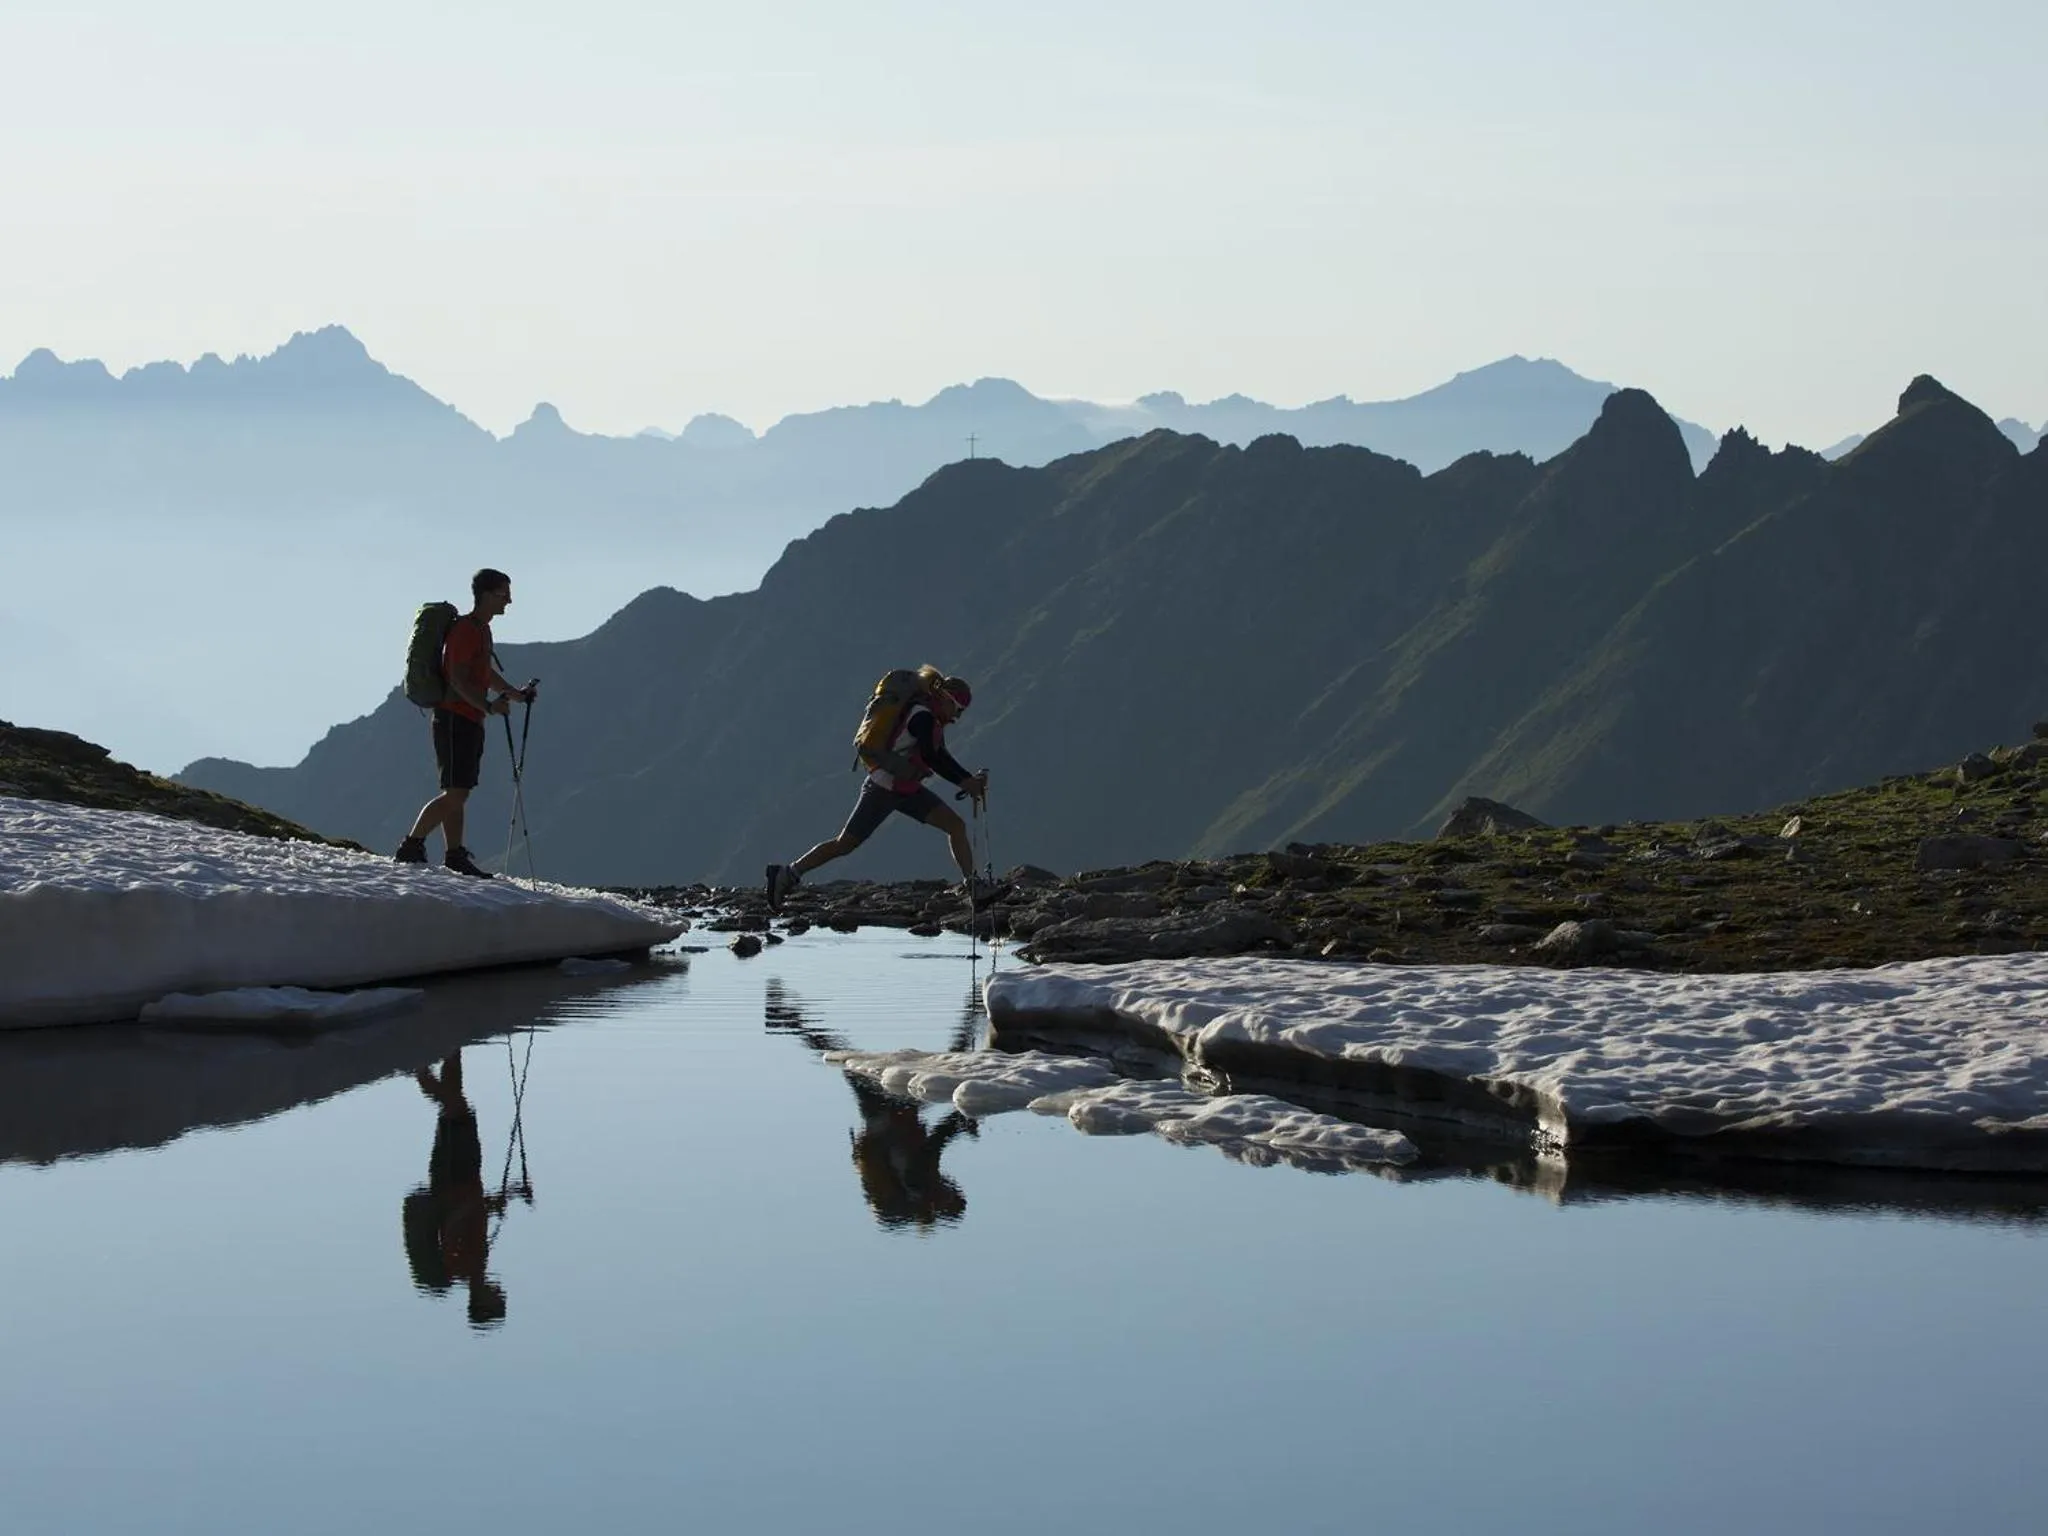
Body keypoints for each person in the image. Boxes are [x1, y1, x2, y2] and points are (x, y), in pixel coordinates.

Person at [765, 665, 989, 911]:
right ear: (946, 699)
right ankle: (787, 873)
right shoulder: (922, 716)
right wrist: (965, 782)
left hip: (905, 787)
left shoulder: (931, 718)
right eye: (958, 710)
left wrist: (968, 780)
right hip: (884, 788)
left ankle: (973, 887)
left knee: (955, 826)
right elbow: (932, 757)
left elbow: (940, 756)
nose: (957, 717)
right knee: (845, 844)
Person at [394, 568, 536, 878]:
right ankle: (411, 845)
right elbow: (457, 678)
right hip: (454, 718)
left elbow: (483, 672)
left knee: (458, 790)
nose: (509, 601)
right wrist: (488, 706)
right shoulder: (466, 631)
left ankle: (454, 854)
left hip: (467, 719)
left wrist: (515, 695)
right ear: (485, 595)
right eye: (503, 594)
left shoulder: (481, 631)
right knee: (456, 792)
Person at [401, 1051, 510, 1329]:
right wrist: (508, 1195)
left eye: (497, 1301)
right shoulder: (476, 1266)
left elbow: (451, 1225)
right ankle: (451, 1049)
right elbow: (474, 1216)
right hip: (467, 1174)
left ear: (481, 1301)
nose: (501, 1294)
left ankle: (419, 1068)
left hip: (451, 1177)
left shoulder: (462, 1267)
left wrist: (477, 1205)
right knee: (457, 1107)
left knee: (455, 1109)